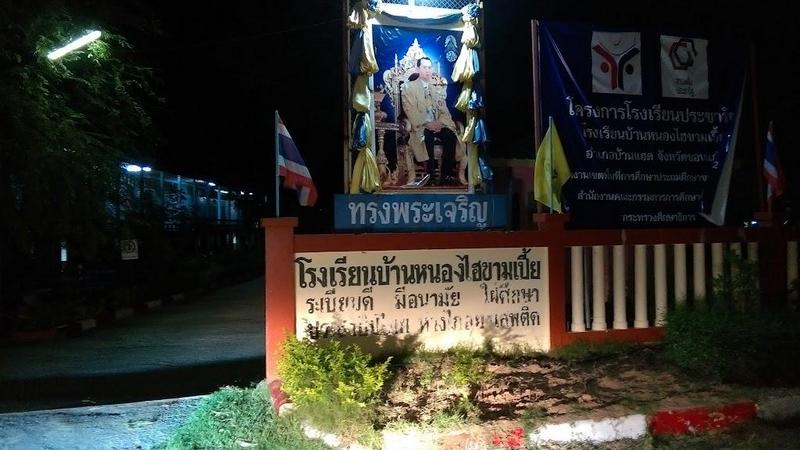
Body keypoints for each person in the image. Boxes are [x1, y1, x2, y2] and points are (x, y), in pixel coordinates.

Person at [401, 57, 463, 186]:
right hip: (420, 126)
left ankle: (446, 174)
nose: (427, 70)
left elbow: (444, 111)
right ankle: (430, 176)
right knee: (426, 137)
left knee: (450, 135)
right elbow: (410, 110)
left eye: (429, 68)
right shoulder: (409, 88)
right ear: (418, 69)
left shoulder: (436, 90)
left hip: (437, 125)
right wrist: (427, 123)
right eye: (424, 67)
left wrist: (440, 123)